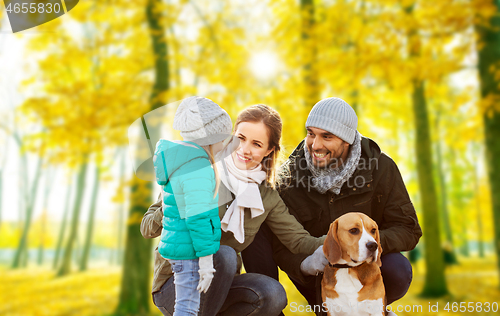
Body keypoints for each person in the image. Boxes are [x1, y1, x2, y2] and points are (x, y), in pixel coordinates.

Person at [242, 97, 422, 315]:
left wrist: (364, 245)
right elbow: (281, 243)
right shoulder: (290, 176)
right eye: (311, 133)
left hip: (368, 268)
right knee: (257, 216)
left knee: (398, 269)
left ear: (347, 140)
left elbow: (408, 228)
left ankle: (374, 307)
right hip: (317, 274)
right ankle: (271, 308)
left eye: (327, 136)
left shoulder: (380, 168)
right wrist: (307, 263)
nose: (315, 145)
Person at [142, 102, 326, 316]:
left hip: (221, 289)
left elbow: (299, 241)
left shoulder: (266, 196)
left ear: (269, 150)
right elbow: (147, 229)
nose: (244, 149)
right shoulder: (198, 169)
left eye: (257, 144)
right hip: (176, 284)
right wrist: (172, 204)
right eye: (240, 138)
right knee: (224, 254)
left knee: (273, 293)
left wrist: (346, 239)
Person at [152, 96, 228, 315]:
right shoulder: (198, 167)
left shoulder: (180, 161)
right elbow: (198, 216)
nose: (225, 143)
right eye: (223, 136)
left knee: (186, 304)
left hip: (178, 246)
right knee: (187, 306)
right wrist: (205, 261)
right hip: (189, 251)